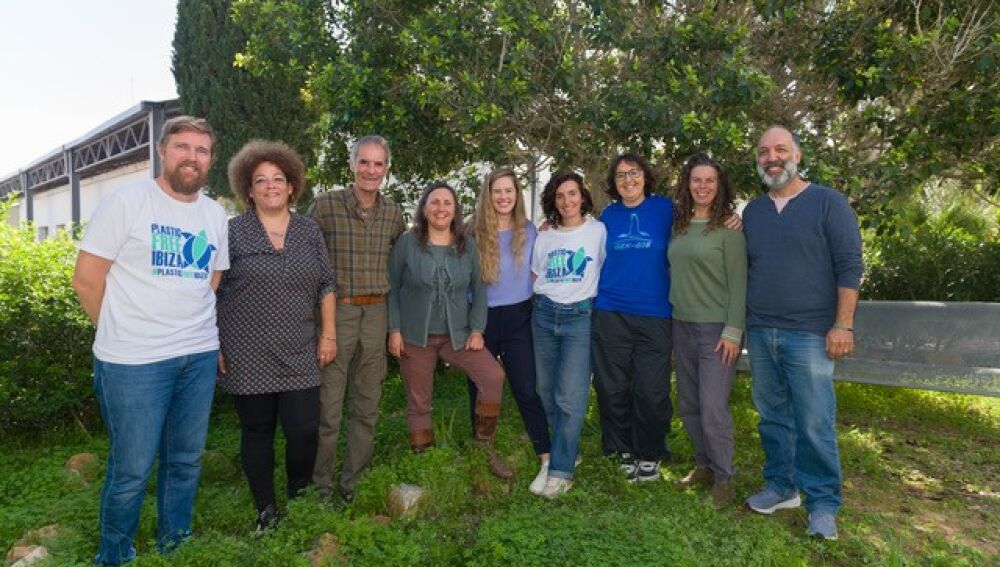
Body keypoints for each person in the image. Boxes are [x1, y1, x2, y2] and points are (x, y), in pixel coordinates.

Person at [72, 116, 229, 564]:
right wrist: (122, 329)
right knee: (132, 469)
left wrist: (190, 326)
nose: (192, 157)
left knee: (184, 460)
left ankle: (174, 540)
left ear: (210, 159)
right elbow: (86, 280)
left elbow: (211, 278)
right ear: (163, 150)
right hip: (132, 363)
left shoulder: (215, 214)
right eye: (183, 147)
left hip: (197, 356)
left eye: (201, 150)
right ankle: (115, 553)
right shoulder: (127, 201)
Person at [742, 125, 863, 540]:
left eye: (780, 149)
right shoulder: (753, 213)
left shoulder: (828, 202)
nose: (772, 157)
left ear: (798, 153)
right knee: (773, 417)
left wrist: (842, 323)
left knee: (814, 421)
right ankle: (781, 486)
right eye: (763, 152)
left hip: (811, 334)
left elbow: (850, 266)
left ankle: (824, 503)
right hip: (761, 332)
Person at [216, 140, 336, 534]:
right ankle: (266, 508)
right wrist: (214, 343)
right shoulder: (232, 233)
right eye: (260, 180)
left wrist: (329, 335)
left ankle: (298, 495)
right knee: (258, 431)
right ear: (248, 190)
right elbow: (211, 290)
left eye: (278, 179)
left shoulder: (308, 230)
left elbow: (326, 285)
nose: (270, 186)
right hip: (246, 351)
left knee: (303, 429)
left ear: (291, 186)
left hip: (300, 348)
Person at [387, 181, 513, 478]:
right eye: (435, 202)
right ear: (424, 208)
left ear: (455, 209)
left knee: (493, 376)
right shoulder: (407, 243)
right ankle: (425, 463)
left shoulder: (466, 244)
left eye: (447, 202)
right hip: (415, 336)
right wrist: (394, 329)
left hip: (458, 335)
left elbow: (480, 290)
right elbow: (391, 287)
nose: (441, 208)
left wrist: (477, 329)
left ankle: (484, 449)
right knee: (419, 401)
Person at [310, 135, 406, 502]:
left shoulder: (394, 214)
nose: (370, 170)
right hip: (338, 314)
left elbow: (401, 265)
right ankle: (320, 488)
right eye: (364, 162)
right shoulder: (325, 206)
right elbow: (307, 263)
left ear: (386, 169)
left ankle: (353, 484)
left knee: (367, 405)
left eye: (378, 164)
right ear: (352, 165)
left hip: (377, 312)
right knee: (329, 407)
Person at [466, 168, 552, 493]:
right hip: (482, 319)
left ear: (516, 195)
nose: (503, 197)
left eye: (509, 191)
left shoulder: (529, 231)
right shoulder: (471, 233)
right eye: (497, 191)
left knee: (526, 388)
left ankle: (547, 456)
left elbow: (540, 266)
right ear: (487, 195)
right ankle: (482, 452)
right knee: (480, 388)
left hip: (519, 317)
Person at [669, 153, 747, 509]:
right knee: (688, 404)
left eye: (709, 181)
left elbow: (739, 284)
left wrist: (733, 330)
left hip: (717, 330)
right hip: (681, 325)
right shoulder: (679, 225)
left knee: (713, 407)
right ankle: (703, 465)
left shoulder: (729, 231)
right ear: (687, 184)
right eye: (696, 180)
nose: (702, 186)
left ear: (719, 187)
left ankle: (724, 477)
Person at [591, 153, 674, 483]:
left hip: (655, 313)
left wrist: (729, 219)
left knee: (651, 391)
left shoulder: (665, 209)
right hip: (611, 311)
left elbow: (699, 222)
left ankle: (650, 452)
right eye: (621, 175)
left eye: (634, 173)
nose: (628, 180)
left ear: (645, 176)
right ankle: (621, 449)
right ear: (613, 182)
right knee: (612, 388)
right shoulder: (608, 216)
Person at [531, 172, 606, 498]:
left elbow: (604, 268)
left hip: (580, 317)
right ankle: (567, 447)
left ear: (582, 196)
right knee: (545, 390)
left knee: (570, 396)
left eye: (572, 194)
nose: (567, 201)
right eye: (560, 196)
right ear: (553, 200)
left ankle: (561, 470)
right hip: (544, 314)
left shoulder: (598, 231)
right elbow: (537, 273)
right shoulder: (544, 235)